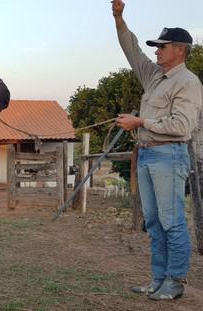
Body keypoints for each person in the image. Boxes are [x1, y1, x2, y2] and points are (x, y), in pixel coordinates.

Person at [111, 0, 203, 301]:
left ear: (180, 50)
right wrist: (120, 19)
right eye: (157, 47)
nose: (157, 50)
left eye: (163, 46)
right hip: (148, 153)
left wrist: (140, 121)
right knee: (153, 221)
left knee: (172, 220)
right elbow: (132, 50)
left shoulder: (189, 82)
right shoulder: (153, 76)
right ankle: (158, 279)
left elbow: (182, 127)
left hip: (168, 155)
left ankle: (175, 282)